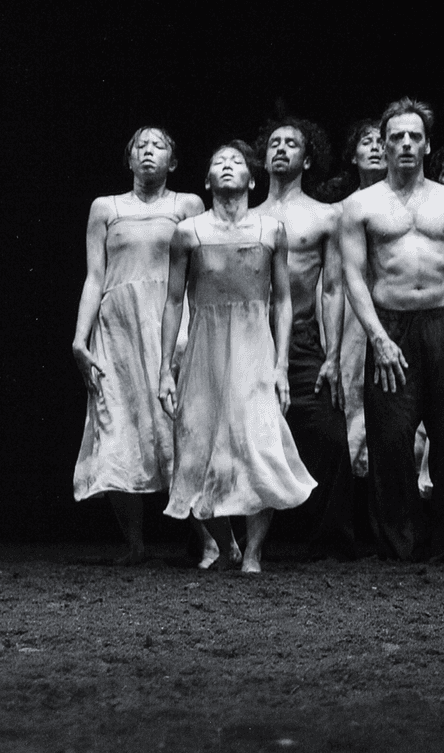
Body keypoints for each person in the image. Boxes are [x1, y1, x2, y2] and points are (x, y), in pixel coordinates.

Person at [158, 142, 316, 572]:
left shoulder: (271, 230)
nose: (227, 167)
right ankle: (222, 543)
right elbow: (173, 302)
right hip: (204, 349)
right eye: (217, 163)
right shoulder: (188, 232)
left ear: (251, 179)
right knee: (201, 445)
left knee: (258, 444)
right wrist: (164, 370)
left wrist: (282, 364)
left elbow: (282, 300)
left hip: (253, 347)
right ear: (207, 181)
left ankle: (254, 551)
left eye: (237, 163)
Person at [340, 98, 444, 566]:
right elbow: (354, 277)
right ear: (382, 145)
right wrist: (378, 337)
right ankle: (399, 549)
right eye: (397, 137)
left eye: (414, 136)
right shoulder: (360, 205)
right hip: (392, 326)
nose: (406, 143)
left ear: (427, 145)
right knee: (390, 441)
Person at [72, 127, 205, 564]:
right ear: (128, 159)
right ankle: (134, 544)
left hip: (170, 322)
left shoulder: (186, 205)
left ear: (174, 161)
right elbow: (95, 276)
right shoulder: (104, 208)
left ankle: (208, 538)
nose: (148, 152)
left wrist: (192, 329)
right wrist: (79, 337)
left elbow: (199, 273)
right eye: (140, 147)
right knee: (116, 428)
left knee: (178, 428)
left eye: (159, 146)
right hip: (117, 329)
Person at [255, 115, 356, 561]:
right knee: (251, 434)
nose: (280, 149)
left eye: (291, 144)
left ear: (307, 157)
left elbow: (332, 288)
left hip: (301, 336)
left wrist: (332, 354)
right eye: (273, 143)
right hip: (251, 335)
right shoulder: (249, 216)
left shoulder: (324, 216)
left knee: (329, 434)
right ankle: (255, 540)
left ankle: (329, 540)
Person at [330, 121, 387, 478]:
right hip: (350, 316)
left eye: (383, 142)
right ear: (353, 156)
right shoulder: (337, 213)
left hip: (393, 308)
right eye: (367, 142)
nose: (377, 148)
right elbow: (332, 281)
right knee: (350, 399)